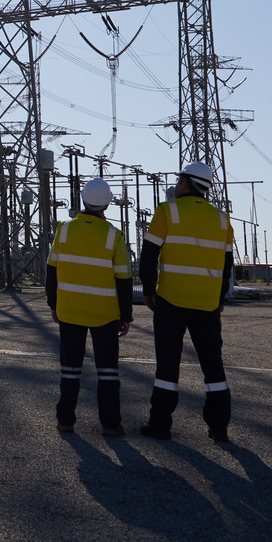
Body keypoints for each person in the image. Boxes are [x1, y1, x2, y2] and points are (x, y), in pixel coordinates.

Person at [138, 160, 235, 442]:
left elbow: (149, 255)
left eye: (180, 180)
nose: (177, 184)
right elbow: (226, 265)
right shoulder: (221, 218)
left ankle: (160, 425)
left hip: (171, 299)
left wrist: (148, 289)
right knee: (212, 365)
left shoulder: (167, 211)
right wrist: (218, 299)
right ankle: (219, 427)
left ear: (186, 183)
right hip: (206, 303)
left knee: (168, 364)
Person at [46, 176, 134, 436]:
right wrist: (125, 315)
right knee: (107, 372)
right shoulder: (114, 236)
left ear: (83, 200)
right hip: (105, 314)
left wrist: (54, 305)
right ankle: (110, 424)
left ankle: (65, 421)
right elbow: (124, 279)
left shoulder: (63, 229)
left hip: (70, 310)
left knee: (70, 370)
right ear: (107, 205)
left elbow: (52, 272)